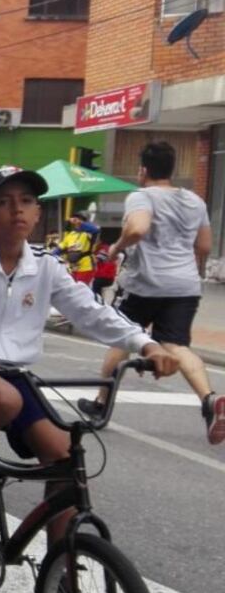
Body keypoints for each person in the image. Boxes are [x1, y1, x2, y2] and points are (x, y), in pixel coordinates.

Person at [0, 165, 177, 552]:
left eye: (26, 201)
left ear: (38, 212)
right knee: (2, 398)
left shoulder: (46, 263)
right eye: (4, 203)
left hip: (16, 377)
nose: (17, 211)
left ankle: (64, 579)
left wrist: (146, 344)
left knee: (64, 460)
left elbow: (92, 311)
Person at [78, 141, 225, 444]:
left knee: (124, 336)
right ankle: (210, 400)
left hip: (145, 284)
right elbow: (205, 247)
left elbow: (138, 230)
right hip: (185, 285)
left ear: (143, 170)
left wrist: (117, 248)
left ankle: (100, 404)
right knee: (177, 344)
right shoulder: (195, 201)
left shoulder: (141, 197)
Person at [52, 216, 96, 285]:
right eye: (75, 221)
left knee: (82, 290)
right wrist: (49, 256)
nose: (76, 223)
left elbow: (95, 230)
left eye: (79, 221)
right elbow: (60, 248)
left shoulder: (88, 233)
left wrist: (80, 223)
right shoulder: (70, 235)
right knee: (72, 289)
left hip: (86, 267)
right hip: (73, 268)